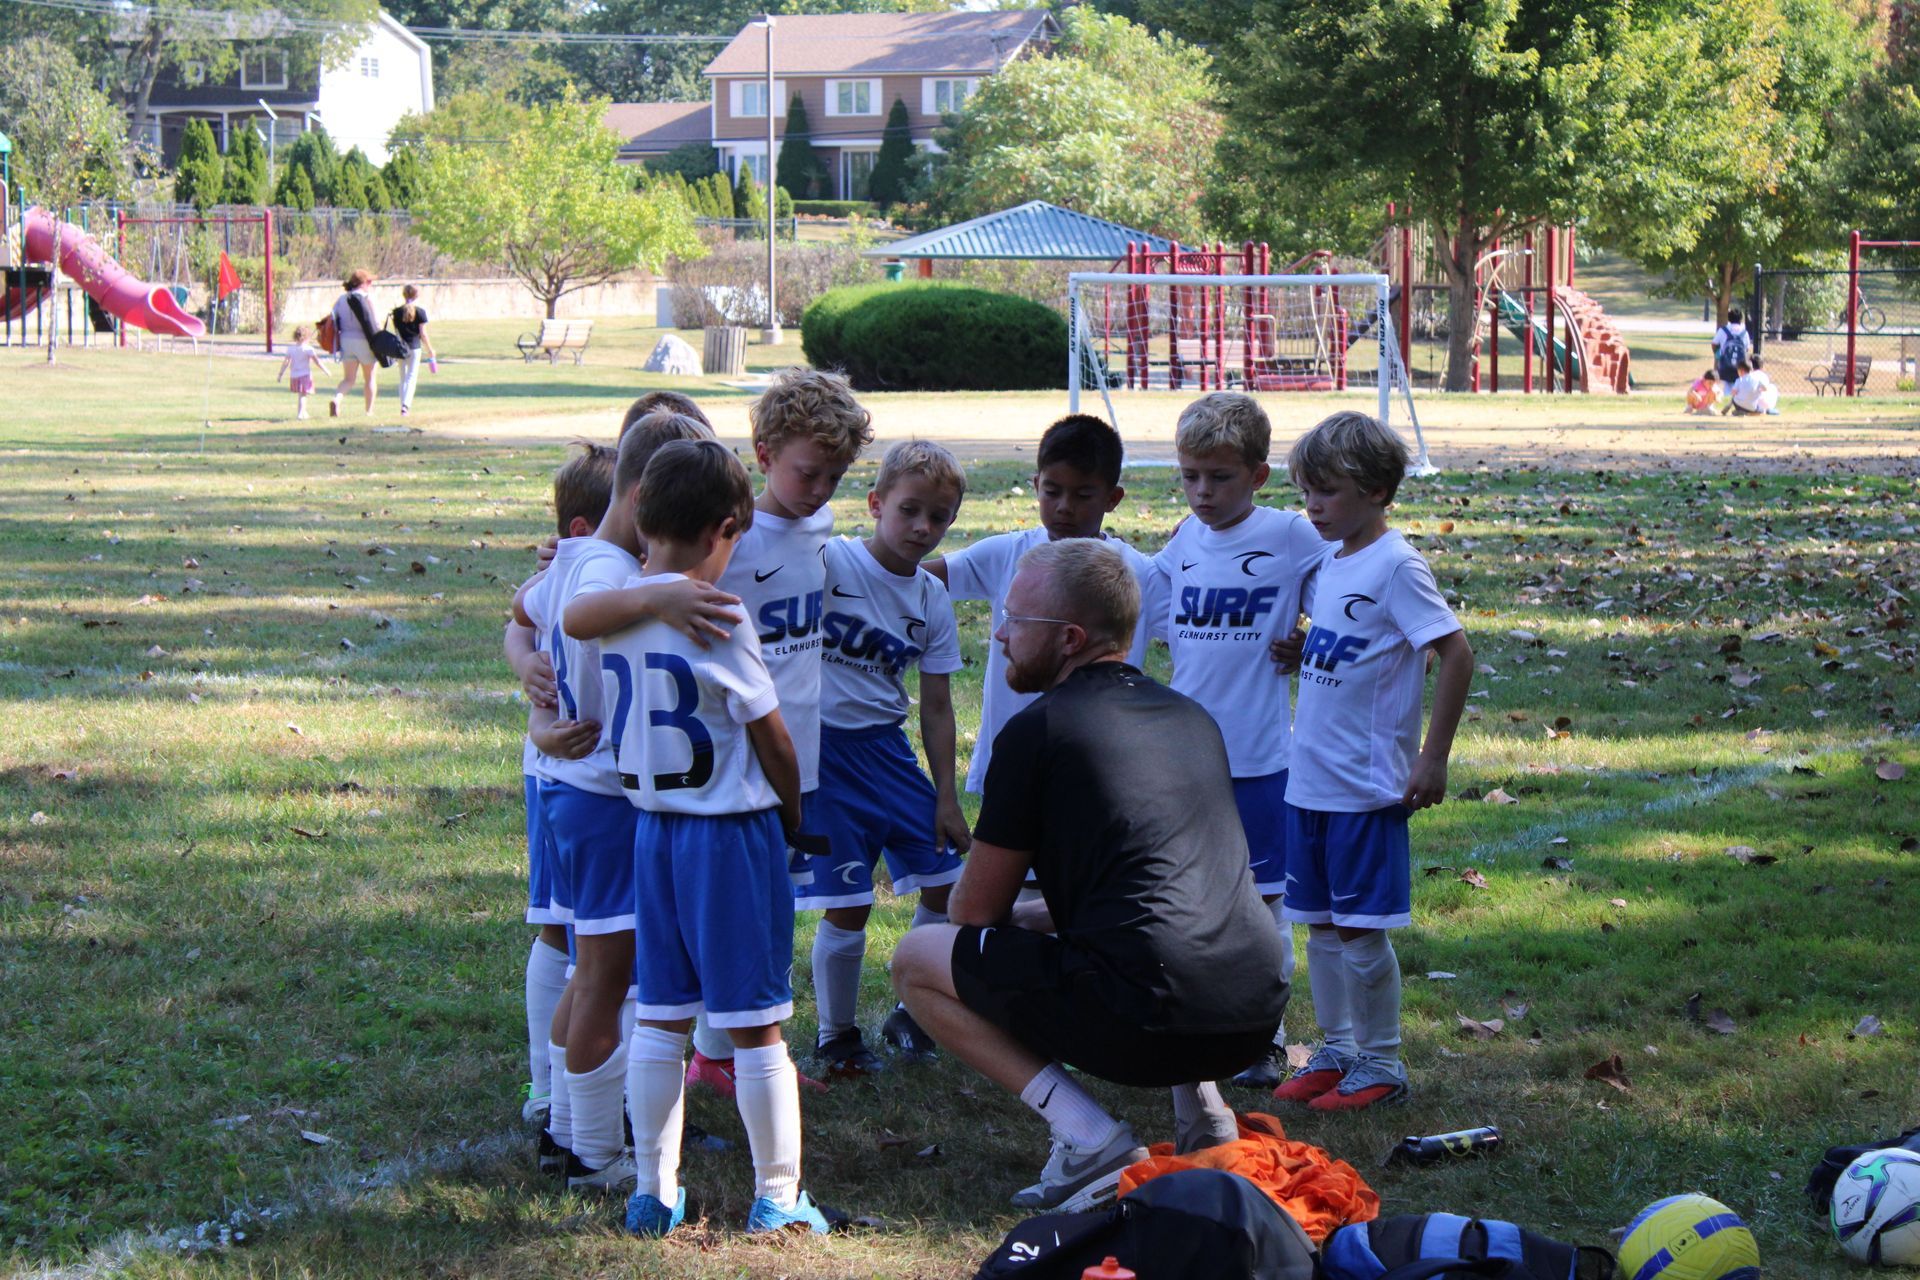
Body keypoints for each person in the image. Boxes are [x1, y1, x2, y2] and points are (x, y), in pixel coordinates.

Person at [890, 538, 1287, 1213]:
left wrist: (1017, 921)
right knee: (1146, 929)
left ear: (1070, 639)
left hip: (1152, 1022)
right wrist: (1036, 918)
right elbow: (1163, 890)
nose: (1001, 634)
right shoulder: (1191, 717)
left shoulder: (1039, 731)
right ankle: (1206, 1116)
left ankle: (1090, 1140)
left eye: (1016, 620)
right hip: (1254, 1011)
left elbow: (972, 914)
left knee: (920, 957)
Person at [568, 369, 870, 1098]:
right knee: (724, 923)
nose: (820, 489)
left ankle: (718, 1054)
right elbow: (617, 590)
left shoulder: (822, 529)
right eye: (807, 472)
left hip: (796, 747)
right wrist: (637, 589)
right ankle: (735, 1053)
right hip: (732, 760)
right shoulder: (724, 532)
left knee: (767, 915)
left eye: (834, 477)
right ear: (764, 457)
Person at [601, 438, 838, 1236]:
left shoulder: (622, 608)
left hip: (652, 834)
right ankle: (779, 1196)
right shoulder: (717, 615)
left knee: (661, 1016)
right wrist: (793, 813)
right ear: (726, 529)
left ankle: (652, 1192)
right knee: (757, 1022)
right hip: (728, 834)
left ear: (641, 515)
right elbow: (772, 734)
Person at [518, 414, 714, 1193]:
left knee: (590, 973)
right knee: (606, 978)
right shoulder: (603, 568)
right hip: (601, 797)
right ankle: (595, 1154)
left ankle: (568, 1130)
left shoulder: (578, 555)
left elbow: (527, 613)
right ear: (641, 498)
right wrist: (665, 591)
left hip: (574, 792)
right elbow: (576, 615)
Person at [1273, 411, 1472, 1112]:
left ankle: (1383, 1062)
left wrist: (1432, 757)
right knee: (1321, 927)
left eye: (1326, 491)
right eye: (1306, 491)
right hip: (1309, 783)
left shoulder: (1397, 565)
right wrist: (1309, 651)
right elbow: (1359, 647)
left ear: (1377, 491)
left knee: (1359, 932)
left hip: (1363, 788)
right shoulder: (1332, 563)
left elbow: (1455, 653)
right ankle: (1339, 1049)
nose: (1313, 506)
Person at [1139, 392, 1328, 1090]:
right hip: (1185, 758)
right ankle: (1196, 1021)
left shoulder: (1290, 535)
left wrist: (1311, 639)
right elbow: (1146, 602)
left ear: (1258, 475)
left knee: (1265, 904)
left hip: (1257, 758)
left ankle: (1265, 1038)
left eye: (1219, 477)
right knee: (1187, 896)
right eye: (1190, 476)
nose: (1202, 492)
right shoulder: (1184, 540)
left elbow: (1345, 586)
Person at [797, 440, 971, 1075]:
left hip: (888, 753)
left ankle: (911, 1008)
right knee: (850, 903)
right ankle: (837, 1036)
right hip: (825, 754)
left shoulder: (930, 597)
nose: (922, 527)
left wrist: (946, 795)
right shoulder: (830, 560)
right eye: (909, 510)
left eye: (938, 516)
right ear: (875, 504)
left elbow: (937, 705)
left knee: (949, 884)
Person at [505, 442, 616, 1177]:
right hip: (570, 778)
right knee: (567, 931)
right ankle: (552, 1097)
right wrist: (527, 669)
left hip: (580, 775)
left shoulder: (594, 567)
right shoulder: (582, 570)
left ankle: (569, 1108)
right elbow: (519, 618)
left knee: (591, 949)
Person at [328, 268, 381, 418]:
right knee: (370, 378)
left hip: (346, 340)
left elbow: (334, 318)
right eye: (369, 281)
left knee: (348, 379)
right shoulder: (367, 298)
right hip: (365, 340)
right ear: (363, 283)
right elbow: (375, 322)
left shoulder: (342, 299)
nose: (370, 284)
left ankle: (337, 399)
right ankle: (369, 411)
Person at [388, 284, 437, 417]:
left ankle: (403, 405)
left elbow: (397, 332)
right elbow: (423, 334)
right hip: (415, 348)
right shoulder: (420, 312)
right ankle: (405, 406)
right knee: (411, 377)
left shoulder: (396, 312)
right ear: (417, 295)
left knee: (403, 378)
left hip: (401, 349)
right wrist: (430, 349)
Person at [274, 324, 332, 420]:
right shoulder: (308, 349)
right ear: (306, 337)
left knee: (301, 395)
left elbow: (286, 362)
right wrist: (326, 370)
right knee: (303, 395)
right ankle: (301, 413)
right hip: (305, 375)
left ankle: (303, 412)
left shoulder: (291, 349)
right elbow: (317, 361)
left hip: (294, 375)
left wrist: (280, 374)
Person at [1712, 306, 1752, 387]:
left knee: (1726, 385)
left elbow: (1714, 343)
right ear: (1741, 319)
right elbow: (1747, 348)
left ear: (1729, 318)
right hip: (1740, 366)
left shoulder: (1723, 330)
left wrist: (1717, 354)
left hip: (1725, 365)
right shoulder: (1744, 332)